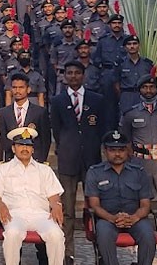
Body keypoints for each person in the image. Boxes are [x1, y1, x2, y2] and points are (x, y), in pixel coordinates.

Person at [50, 60, 107, 262]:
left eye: (77, 73)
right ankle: (68, 253)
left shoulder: (97, 99)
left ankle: (101, 251)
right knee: (67, 210)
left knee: (95, 208)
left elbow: (102, 128)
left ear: (83, 75)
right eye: (69, 73)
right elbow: (56, 130)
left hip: (92, 160)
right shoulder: (57, 101)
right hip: (68, 159)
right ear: (65, 76)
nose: (73, 76)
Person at [0, 127, 65, 265]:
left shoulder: (45, 170)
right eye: (20, 145)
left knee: (56, 235)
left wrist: (56, 205)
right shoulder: (3, 169)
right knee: (12, 234)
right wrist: (0, 204)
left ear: (33, 149)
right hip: (14, 214)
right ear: (13, 148)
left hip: (41, 214)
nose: (24, 148)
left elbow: (54, 195)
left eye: (28, 145)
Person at [85, 130, 156, 265]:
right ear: (105, 151)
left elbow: (145, 205)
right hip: (107, 219)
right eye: (112, 150)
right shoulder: (95, 172)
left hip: (135, 218)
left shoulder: (139, 172)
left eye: (121, 150)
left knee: (148, 235)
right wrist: (113, 218)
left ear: (127, 150)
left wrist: (134, 218)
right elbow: (94, 205)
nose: (117, 154)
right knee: (104, 235)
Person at [121, 68, 157, 236]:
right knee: (139, 203)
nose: (148, 91)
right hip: (140, 162)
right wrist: (130, 161)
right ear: (139, 89)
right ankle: (140, 240)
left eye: (151, 87)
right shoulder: (131, 113)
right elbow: (126, 140)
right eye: (144, 87)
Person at [0, 73, 51, 162]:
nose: (17, 91)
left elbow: (45, 140)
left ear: (28, 89)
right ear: (11, 89)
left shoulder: (40, 112)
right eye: (14, 87)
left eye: (21, 87)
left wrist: (41, 160)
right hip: (12, 160)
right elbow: (4, 139)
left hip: (35, 160)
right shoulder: (3, 113)